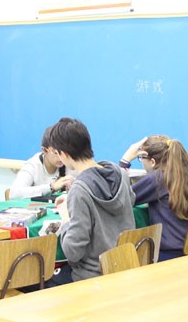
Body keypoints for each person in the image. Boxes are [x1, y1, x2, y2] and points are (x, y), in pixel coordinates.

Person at [48, 117, 135, 284]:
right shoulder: (120, 174)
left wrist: (66, 218)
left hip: (93, 275)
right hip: (124, 266)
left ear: (64, 154)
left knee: (39, 282)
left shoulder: (80, 190)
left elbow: (73, 252)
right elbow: (130, 201)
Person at [119, 134, 188, 261]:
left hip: (167, 255)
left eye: (141, 159)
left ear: (152, 162)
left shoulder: (158, 178)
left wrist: (124, 162)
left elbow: (119, 199)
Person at [9, 126, 75, 199]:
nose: (61, 156)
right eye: (56, 152)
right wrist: (51, 187)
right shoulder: (33, 165)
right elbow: (14, 194)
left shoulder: (69, 163)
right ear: (44, 150)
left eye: (65, 152)